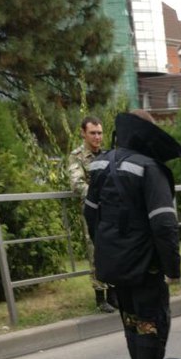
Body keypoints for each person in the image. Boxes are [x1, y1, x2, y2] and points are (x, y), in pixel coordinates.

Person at [85, 110, 181, 359]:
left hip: (114, 262)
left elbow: (90, 213)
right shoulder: (149, 168)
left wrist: (106, 247)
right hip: (144, 263)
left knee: (130, 318)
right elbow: (164, 224)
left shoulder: (102, 163)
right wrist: (172, 268)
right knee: (152, 319)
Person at [67, 116, 115, 314]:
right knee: (95, 251)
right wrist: (99, 195)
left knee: (113, 248)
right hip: (92, 212)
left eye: (100, 133)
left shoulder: (107, 155)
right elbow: (77, 183)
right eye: (93, 133)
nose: (97, 137)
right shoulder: (77, 156)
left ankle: (114, 293)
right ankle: (100, 296)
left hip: (111, 210)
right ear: (83, 133)